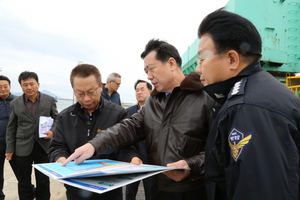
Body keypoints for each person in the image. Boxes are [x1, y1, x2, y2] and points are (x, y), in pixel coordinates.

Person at [63, 39, 217, 200]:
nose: (149, 77)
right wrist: (93, 145)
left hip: (194, 190)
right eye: (145, 72)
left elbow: (219, 151)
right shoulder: (153, 102)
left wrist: (190, 166)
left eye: (151, 69)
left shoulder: (205, 97)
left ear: (171, 63)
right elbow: (127, 128)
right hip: (156, 189)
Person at [196, 9, 300, 200]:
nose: (197, 68)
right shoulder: (259, 92)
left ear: (232, 59)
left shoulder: (249, 108)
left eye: (202, 59)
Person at [48, 64, 141, 200]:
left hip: (110, 190)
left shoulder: (118, 113)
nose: (86, 98)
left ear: (100, 86)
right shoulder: (64, 117)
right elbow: (57, 147)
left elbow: (126, 146)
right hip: (75, 190)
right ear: (73, 90)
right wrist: (60, 160)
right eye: (80, 93)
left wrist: (132, 157)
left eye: (91, 92)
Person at [5, 71, 58, 200]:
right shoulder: (15, 103)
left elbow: (58, 119)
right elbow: (11, 127)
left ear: (38, 84)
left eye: (31, 84)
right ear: (21, 86)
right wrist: (10, 149)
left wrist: (53, 131)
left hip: (43, 146)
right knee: (23, 181)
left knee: (43, 180)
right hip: (22, 147)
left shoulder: (49, 100)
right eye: (25, 85)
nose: (29, 87)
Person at [125, 79, 154, 200]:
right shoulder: (128, 112)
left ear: (150, 91)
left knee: (151, 191)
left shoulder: (157, 110)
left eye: (142, 89)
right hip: (133, 157)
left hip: (151, 157)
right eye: (137, 90)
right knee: (129, 191)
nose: (139, 92)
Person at [0, 75, 17, 200]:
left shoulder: (18, 101)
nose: (3, 89)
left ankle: (29, 190)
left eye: (5, 86)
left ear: (10, 87)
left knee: (21, 171)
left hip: (15, 143)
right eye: (0, 87)